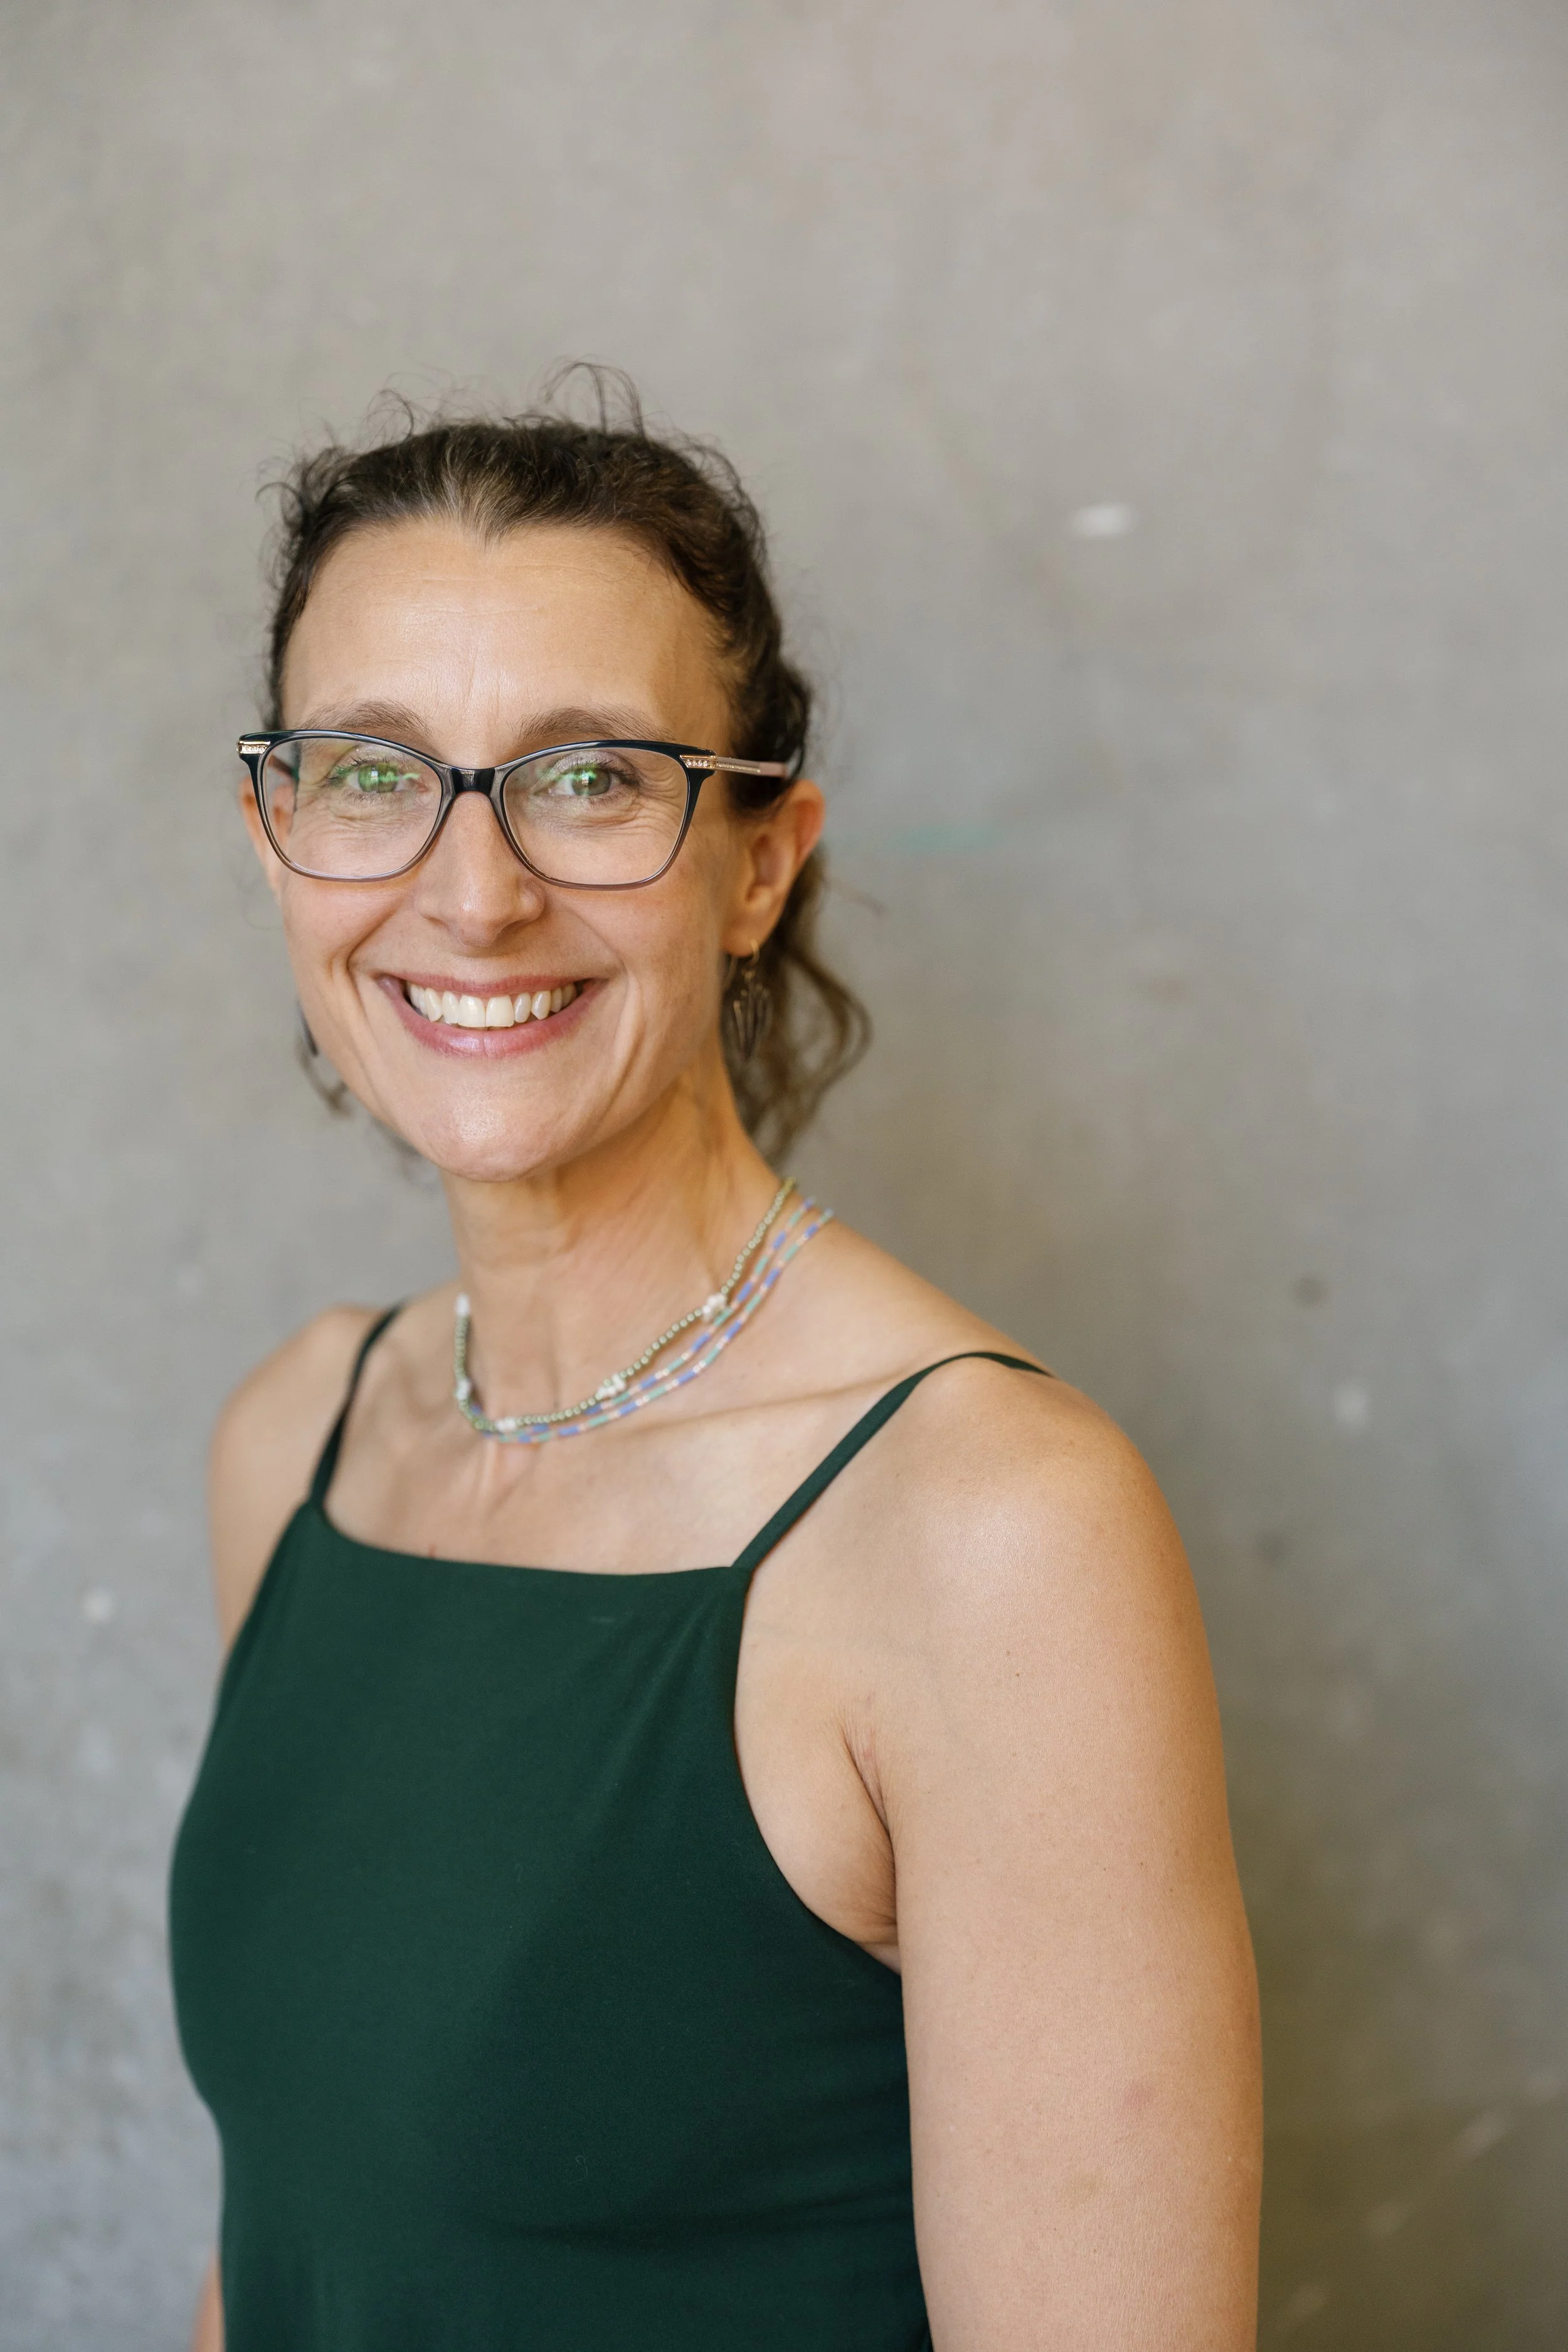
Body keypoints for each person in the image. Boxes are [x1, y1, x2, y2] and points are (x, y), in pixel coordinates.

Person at [169, 378, 1261, 2352]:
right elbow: (290, 2266)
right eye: (370, 771)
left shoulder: (987, 1529)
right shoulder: (301, 1441)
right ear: (276, 836)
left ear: (758, 861)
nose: (473, 887)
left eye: (590, 777)